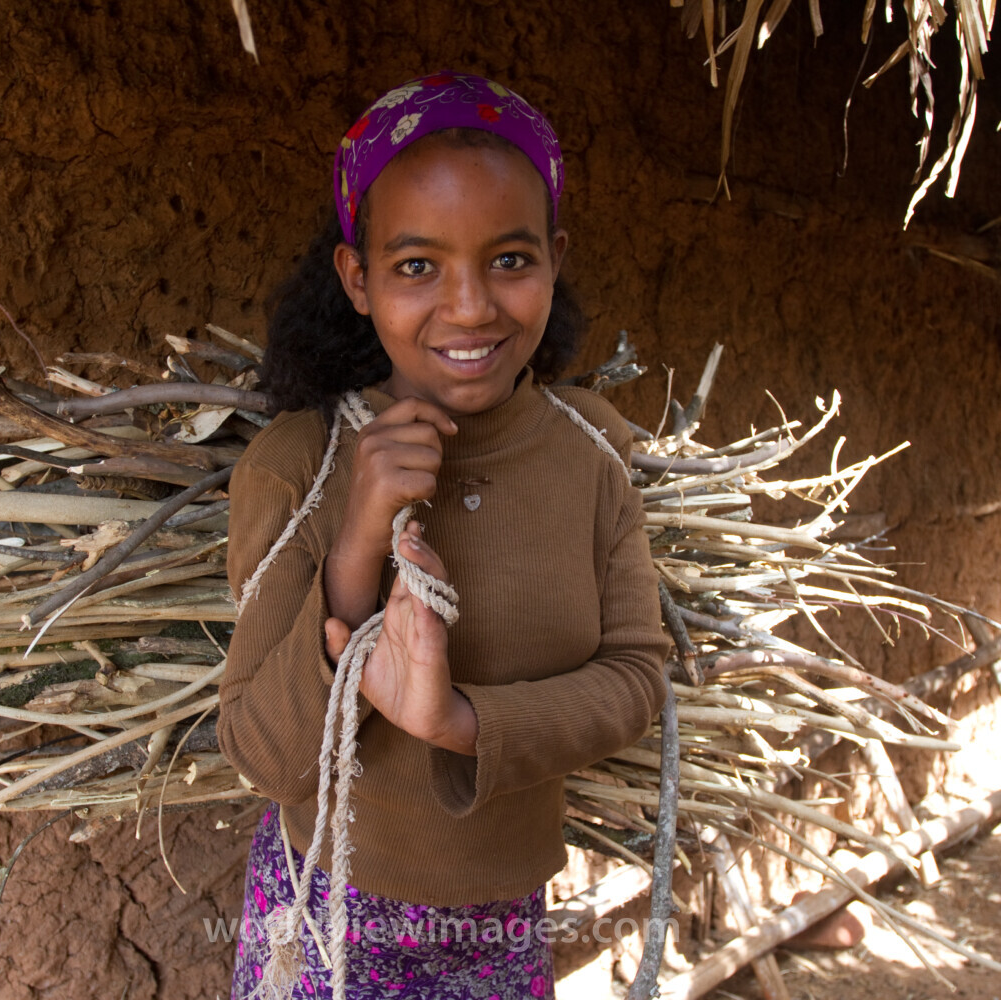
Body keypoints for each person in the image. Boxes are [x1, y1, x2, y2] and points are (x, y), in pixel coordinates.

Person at [217, 72, 670, 1000]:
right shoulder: (298, 465)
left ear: (554, 258)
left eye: (510, 260)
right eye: (418, 266)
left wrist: (456, 723)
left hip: (507, 923)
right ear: (358, 277)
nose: (470, 307)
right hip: (322, 919)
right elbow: (261, 755)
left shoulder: (591, 453)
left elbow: (636, 678)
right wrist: (356, 544)